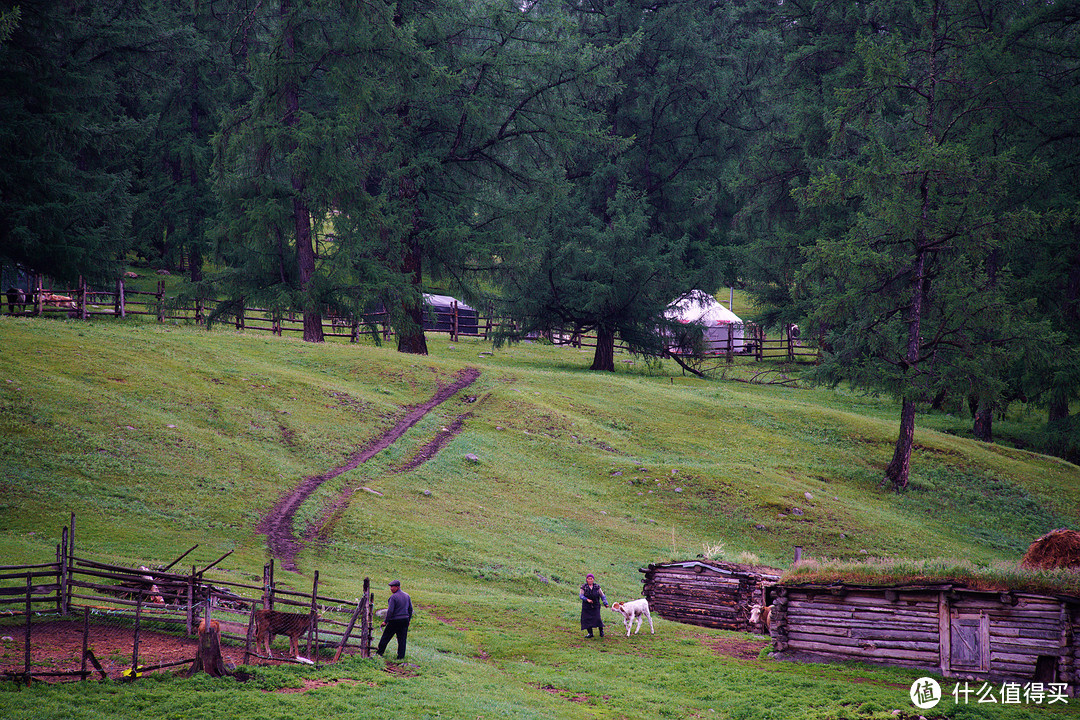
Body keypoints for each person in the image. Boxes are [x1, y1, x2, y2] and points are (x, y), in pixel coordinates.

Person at [376, 579, 413, 659]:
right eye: (390, 587)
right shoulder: (407, 596)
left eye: (392, 587)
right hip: (404, 620)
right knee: (402, 639)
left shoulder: (393, 597)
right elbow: (410, 609)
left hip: (395, 620)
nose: (391, 589)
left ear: (397, 587)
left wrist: (385, 621)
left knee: (385, 637)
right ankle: (401, 657)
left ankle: (379, 653)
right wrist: (408, 620)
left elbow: (390, 611)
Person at [579, 573, 608, 638]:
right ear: (586, 579)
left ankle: (601, 631)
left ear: (593, 579)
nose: (590, 580)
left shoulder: (597, 587)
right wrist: (587, 599)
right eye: (588, 579)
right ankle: (590, 633)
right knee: (586, 619)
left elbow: (602, 595)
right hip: (586, 606)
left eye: (591, 579)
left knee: (597, 618)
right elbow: (581, 595)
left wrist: (605, 603)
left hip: (595, 605)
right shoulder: (584, 587)